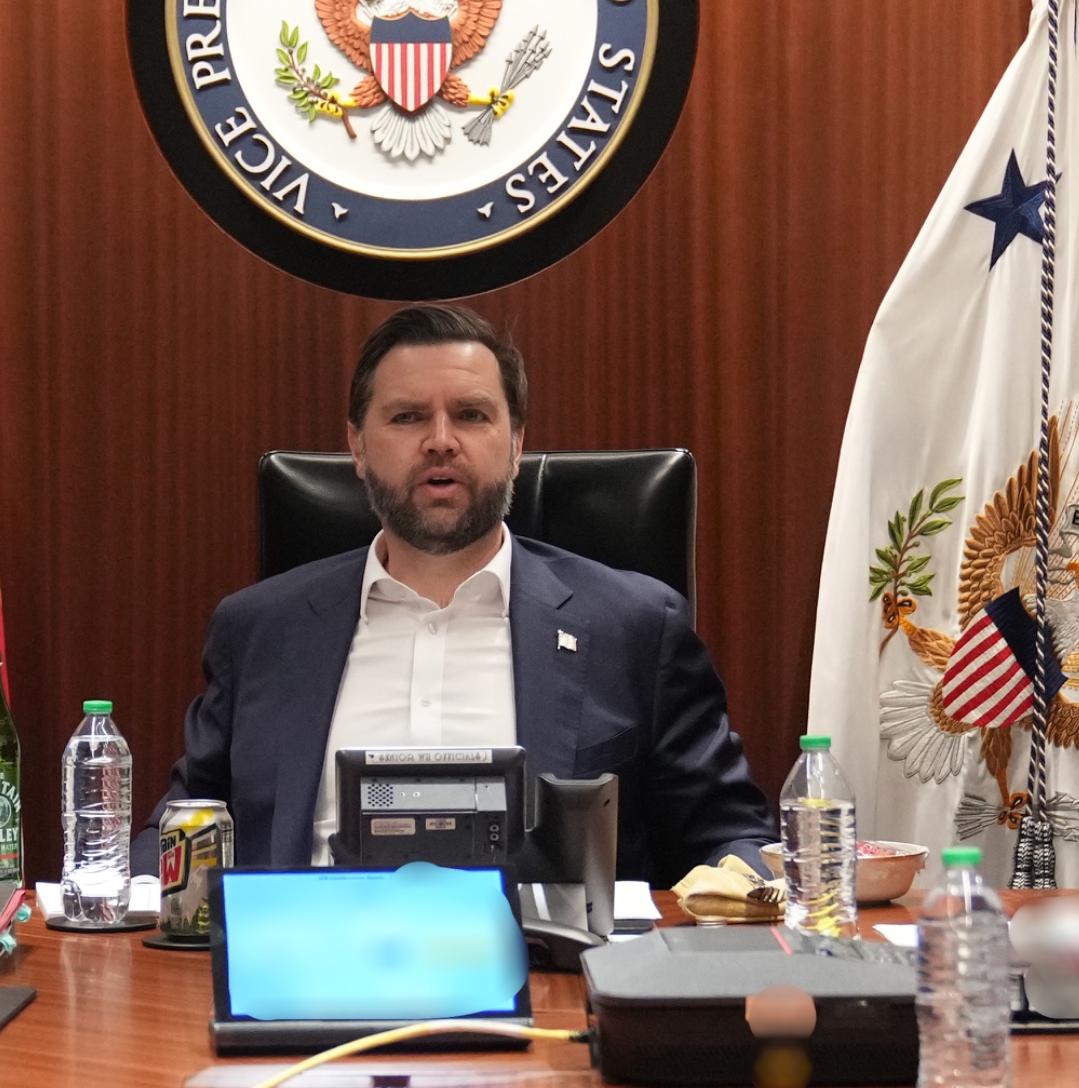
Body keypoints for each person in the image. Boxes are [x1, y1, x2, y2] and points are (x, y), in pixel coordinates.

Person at [163, 304, 766, 883]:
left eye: (472, 415)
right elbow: (180, 833)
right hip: (306, 949)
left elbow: (730, 839)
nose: (441, 441)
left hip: (543, 952)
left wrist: (741, 886)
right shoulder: (260, 630)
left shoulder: (633, 627)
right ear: (357, 446)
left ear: (517, 443)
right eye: (407, 417)